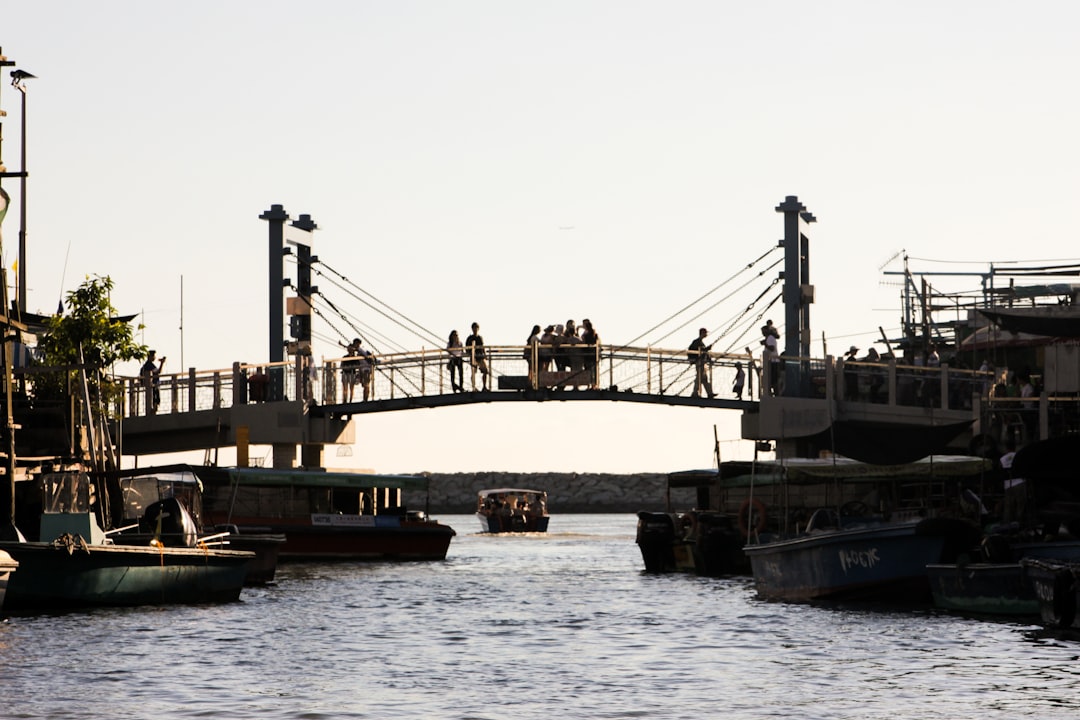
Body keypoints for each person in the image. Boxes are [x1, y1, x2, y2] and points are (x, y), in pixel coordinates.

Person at [1000, 440, 1026, 525]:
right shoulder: (1019, 456)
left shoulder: (1002, 459)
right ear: (1015, 447)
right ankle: (1019, 522)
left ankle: (1006, 523)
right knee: (1020, 504)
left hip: (1008, 485)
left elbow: (1001, 472)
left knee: (1008, 505)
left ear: (1006, 448)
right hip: (1019, 482)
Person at [688, 328, 715, 398]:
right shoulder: (697, 342)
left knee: (703, 378)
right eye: (705, 333)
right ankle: (695, 393)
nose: (706, 334)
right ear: (702, 333)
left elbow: (703, 352)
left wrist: (709, 358)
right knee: (700, 378)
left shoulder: (699, 342)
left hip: (702, 362)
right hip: (699, 362)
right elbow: (700, 351)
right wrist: (707, 349)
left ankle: (709, 393)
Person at [465, 322, 489, 391]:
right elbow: (467, 348)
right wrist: (471, 355)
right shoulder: (470, 338)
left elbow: (482, 347)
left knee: (485, 370)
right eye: (474, 328)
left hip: (480, 357)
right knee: (473, 372)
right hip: (474, 357)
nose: (475, 329)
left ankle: (484, 386)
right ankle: (474, 387)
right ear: (472, 329)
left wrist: (485, 355)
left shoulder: (480, 337)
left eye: (476, 328)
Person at [580, 318, 599, 389]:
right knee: (592, 370)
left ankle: (590, 385)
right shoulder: (593, 333)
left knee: (589, 370)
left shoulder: (587, 333)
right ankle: (593, 385)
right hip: (592, 354)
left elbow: (584, 342)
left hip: (588, 354)